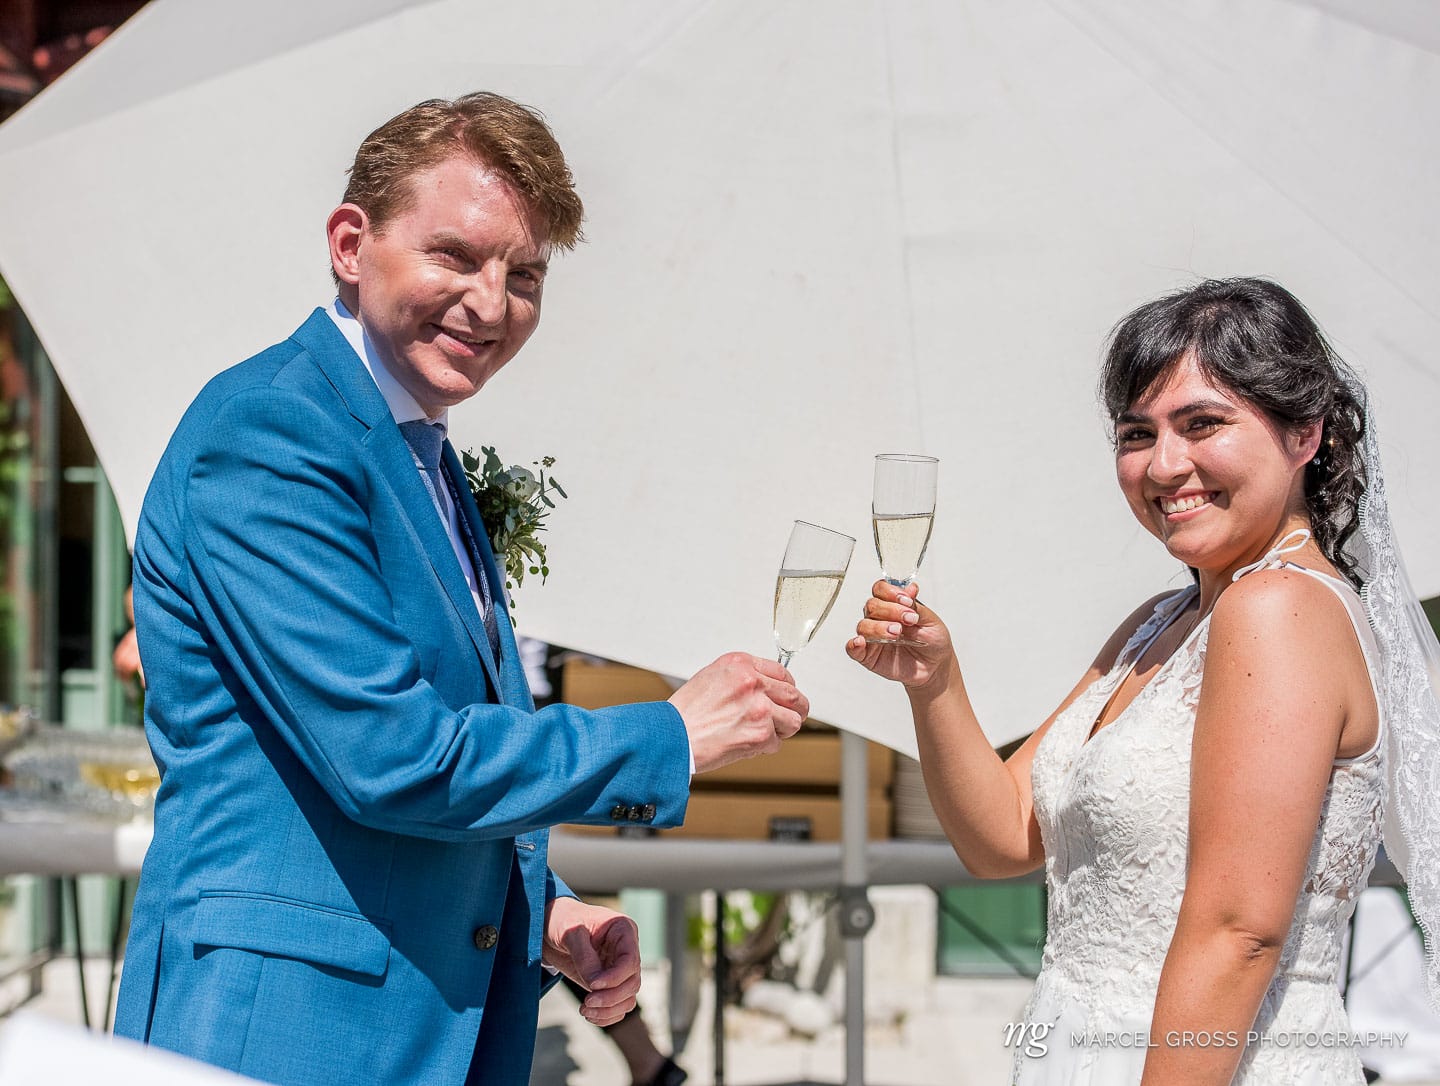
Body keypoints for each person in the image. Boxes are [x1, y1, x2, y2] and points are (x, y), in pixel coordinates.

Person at [113, 92, 808, 1085]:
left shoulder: (416, 449)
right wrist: (671, 735)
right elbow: (391, 757)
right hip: (286, 1033)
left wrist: (543, 912)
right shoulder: (272, 433)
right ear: (350, 244)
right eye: (455, 256)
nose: (492, 304)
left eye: (524, 275)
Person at [849, 277, 1440, 1084]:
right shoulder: (1158, 622)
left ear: (1306, 433)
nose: (1164, 465)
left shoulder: (1279, 609)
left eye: (1202, 424)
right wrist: (935, 683)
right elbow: (1003, 839)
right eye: (1137, 433)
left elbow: (1238, 934)